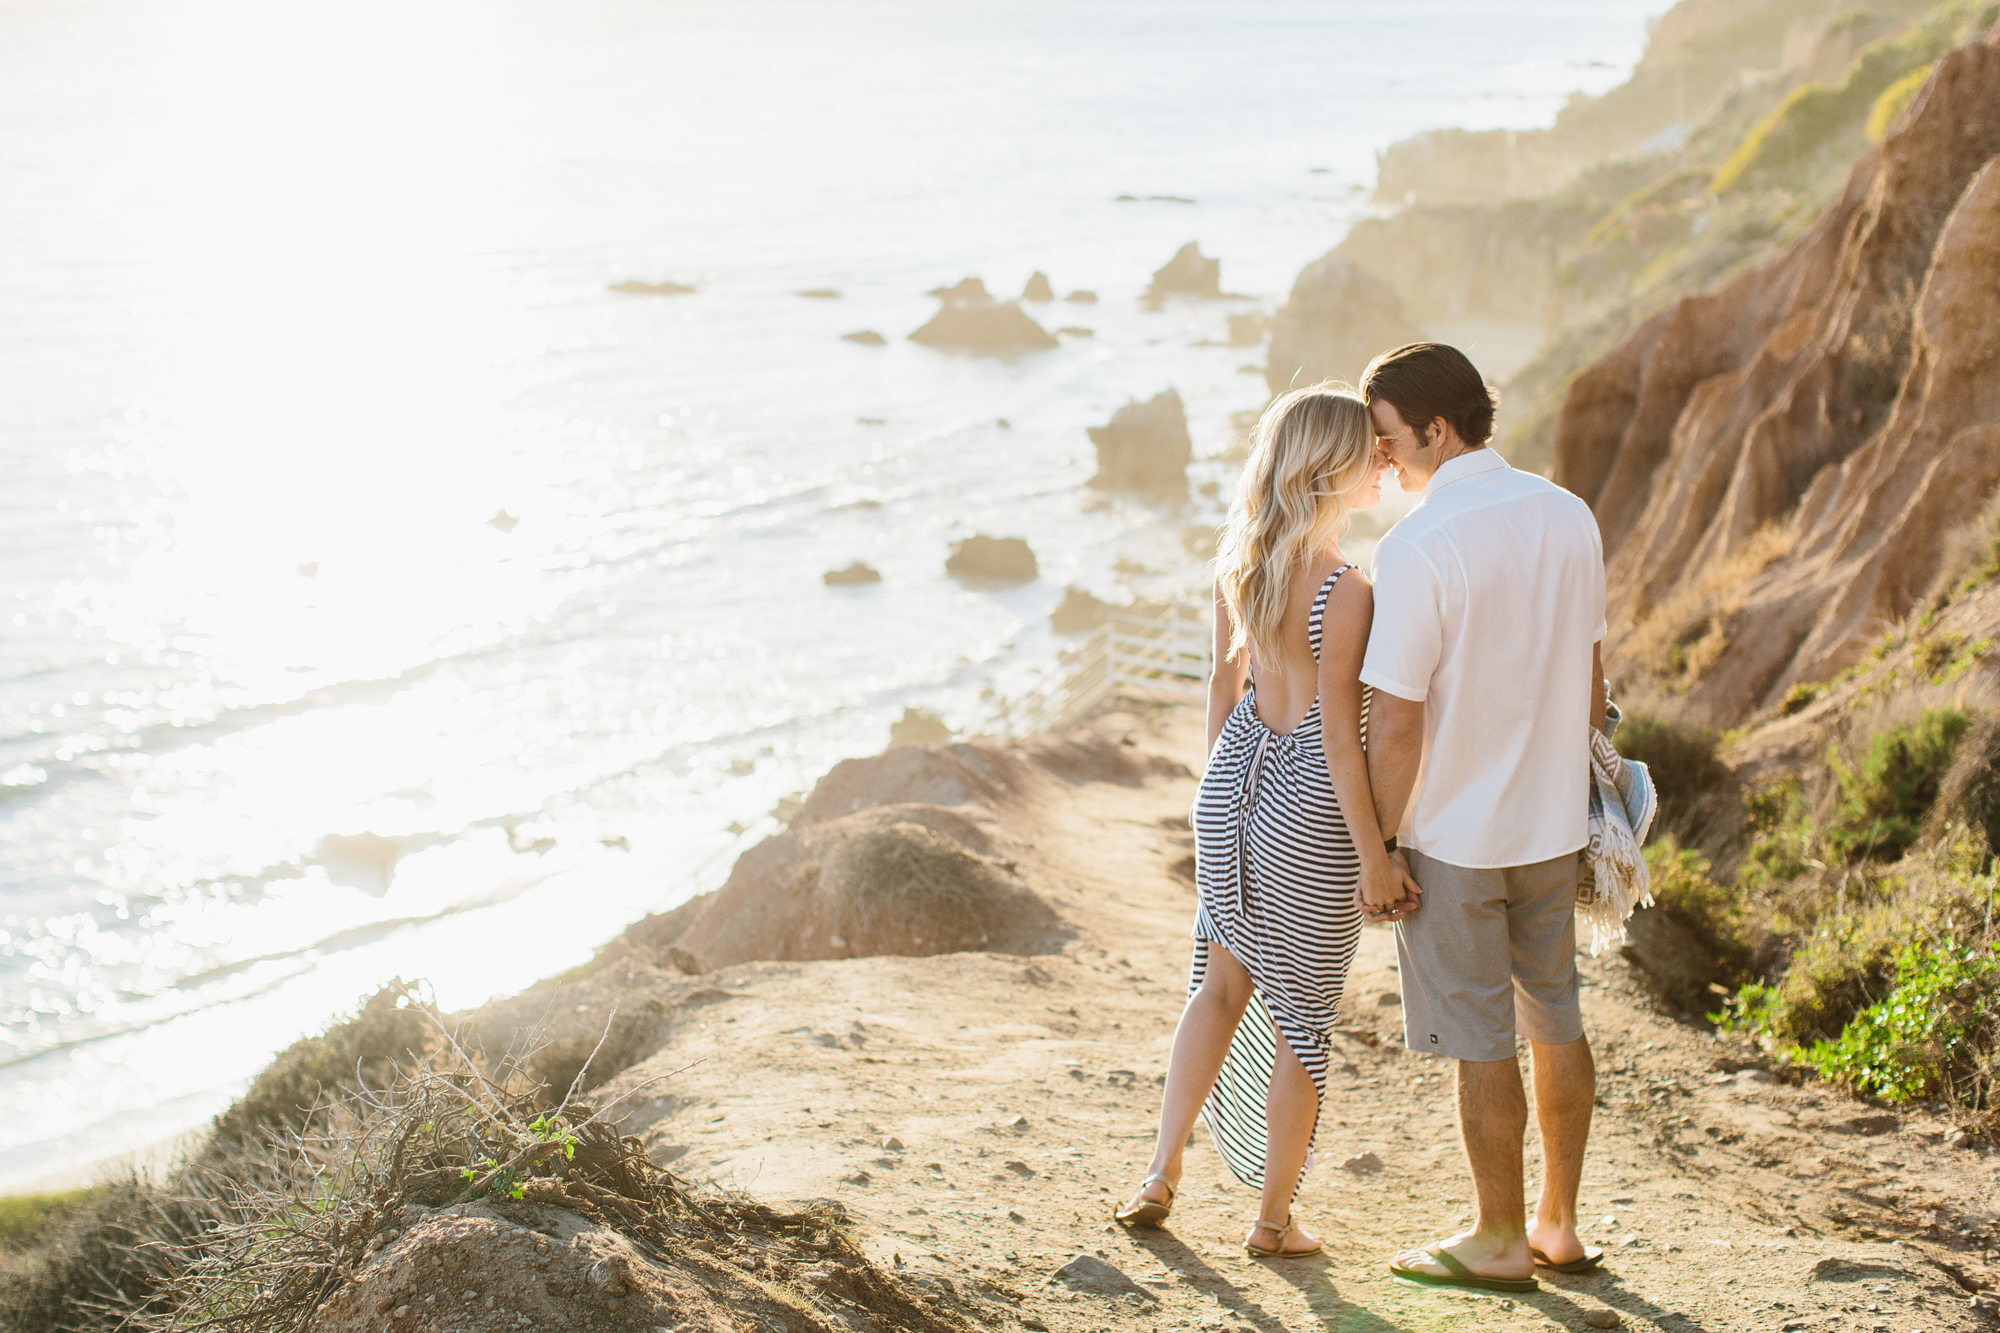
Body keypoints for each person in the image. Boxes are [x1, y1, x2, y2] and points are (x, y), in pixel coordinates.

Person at [1115, 382, 1420, 1258]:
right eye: (1369, 450)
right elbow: (1334, 735)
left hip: (1229, 781)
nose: (1381, 464)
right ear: (1332, 465)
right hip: (1306, 807)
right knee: (1302, 1022)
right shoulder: (1346, 588)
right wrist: (1376, 856)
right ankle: (1272, 1222)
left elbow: (1223, 687)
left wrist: (1217, 798)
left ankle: (1159, 1172)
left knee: (1217, 987)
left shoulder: (1239, 563)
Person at [1356, 343, 1608, 1294]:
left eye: (1389, 440)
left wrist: (1379, 843)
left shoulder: (1420, 543)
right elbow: (1591, 680)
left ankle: (1499, 1234)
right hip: (1553, 823)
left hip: (1455, 834)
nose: (1384, 464)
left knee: (1478, 1035)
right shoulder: (1566, 513)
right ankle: (1557, 1224)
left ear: (1436, 427)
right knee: (1556, 1014)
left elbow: (1399, 720)